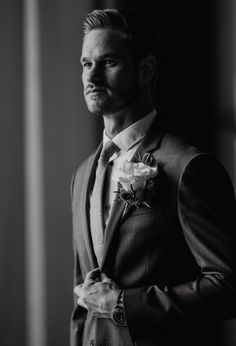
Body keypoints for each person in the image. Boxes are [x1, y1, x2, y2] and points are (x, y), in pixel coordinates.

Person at [70, 8, 236, 346]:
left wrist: (123, 305)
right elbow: (84, 299)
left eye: (109, 62)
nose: (92, 77)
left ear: (145, 69)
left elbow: (228, 286)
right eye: (87, 64)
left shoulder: (190, 166)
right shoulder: (82, 173)